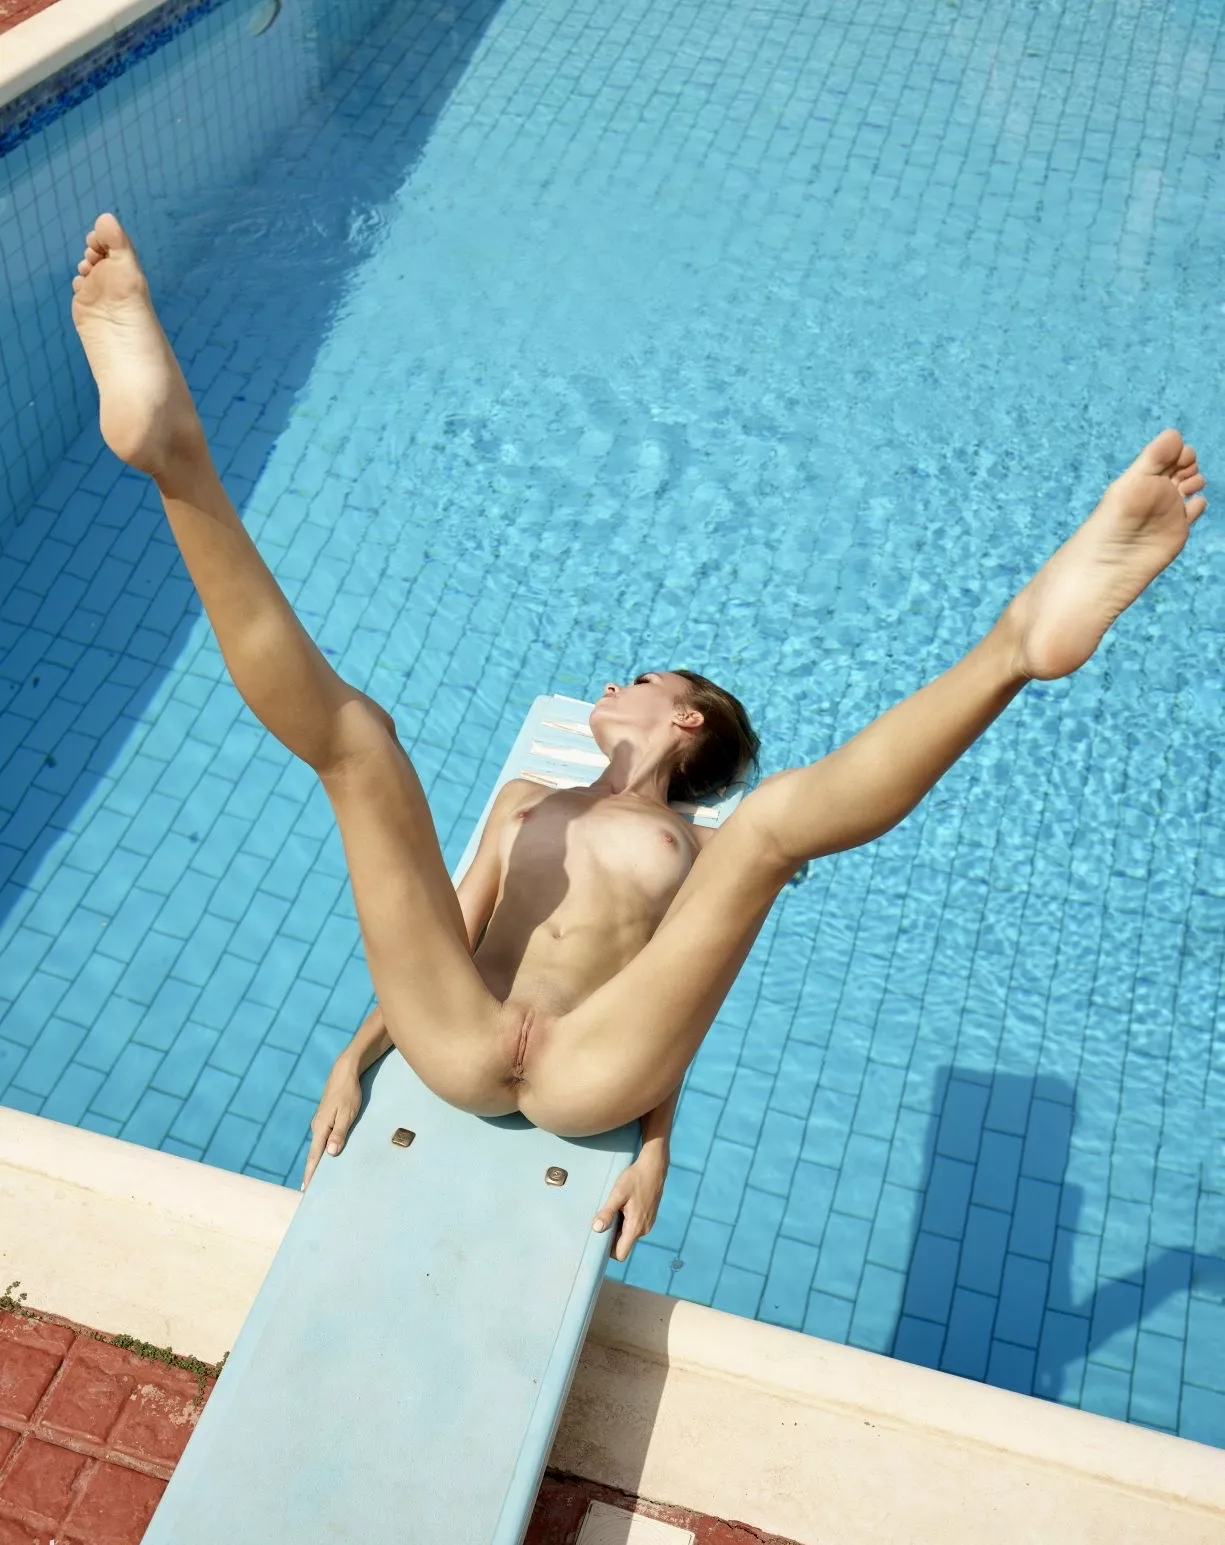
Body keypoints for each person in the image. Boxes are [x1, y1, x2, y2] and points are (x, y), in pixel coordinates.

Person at [70, 213, 1207, 1261]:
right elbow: (437, 925)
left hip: (593, 1071)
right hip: (457, 1038)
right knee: (359, 742)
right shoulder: (526, 800)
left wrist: (657, 1143)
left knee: (772, 833)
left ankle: (1019, 644)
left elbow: (689, 988)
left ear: (685, 718)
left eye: (639, 675)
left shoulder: (705, 847)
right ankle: (177, 456)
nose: (609, 682)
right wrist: (350, 1059)